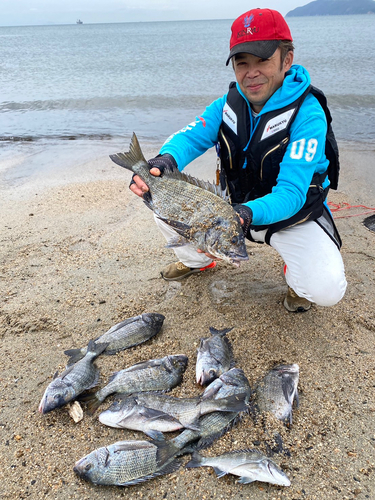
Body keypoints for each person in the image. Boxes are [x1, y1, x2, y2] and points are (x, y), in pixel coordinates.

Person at [130, 8, 347, 313]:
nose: (251, 72)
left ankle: (297, 279)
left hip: (290, 214)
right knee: (163, 205)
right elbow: (191, 137)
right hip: (230, 213)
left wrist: (244, 213)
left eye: (262, 60)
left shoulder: (308, 114)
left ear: (287, 59)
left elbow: (292, 193)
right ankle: (199, 260)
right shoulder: (227, 105)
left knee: (326, 289)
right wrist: (166, 159)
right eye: (242, 63)